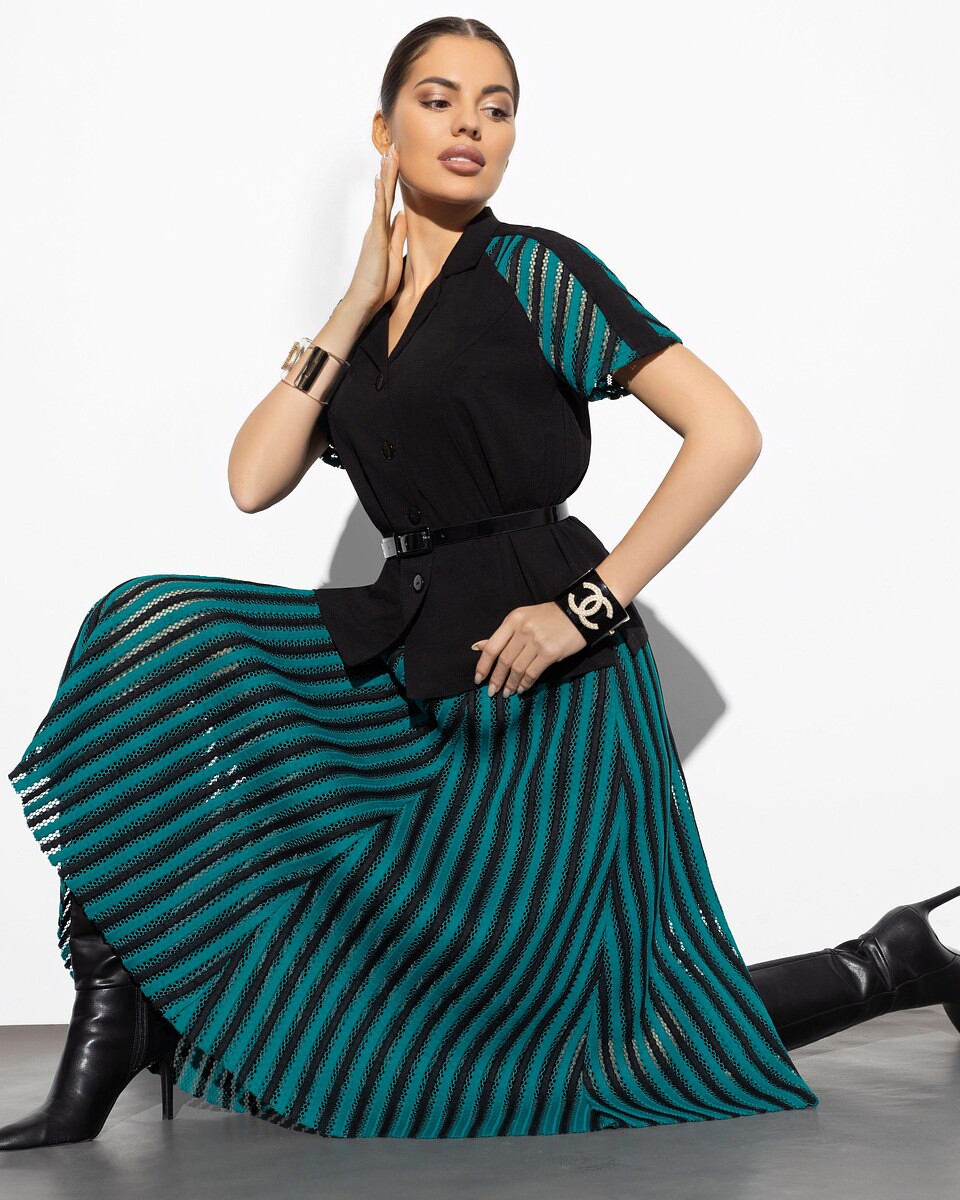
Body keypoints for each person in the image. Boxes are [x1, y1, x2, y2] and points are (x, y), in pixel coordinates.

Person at [3, 16, 958, 1151]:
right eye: (439, 99)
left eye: (496, 107)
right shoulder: (365, 325)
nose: (470, 125)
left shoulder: (535, 271)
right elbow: (252, 481)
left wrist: (583, 610)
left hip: (540, 686)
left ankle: (885, 960)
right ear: (384, 130)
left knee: (587, 1041)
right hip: (406, 649)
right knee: (148, 627)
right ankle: (116, 1018)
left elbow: (727, 432)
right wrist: (352, 303)